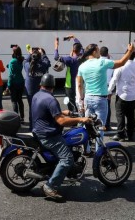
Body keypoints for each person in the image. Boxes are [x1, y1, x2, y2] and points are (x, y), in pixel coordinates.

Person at [32, 73, 92, 201]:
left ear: (41, 85)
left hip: (38, 130)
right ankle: (50, 186)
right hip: (48, 135)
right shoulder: (51, 99)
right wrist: (80, 118)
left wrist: (66, 112)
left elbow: (49, 112)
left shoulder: (38, 95)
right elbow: (61, 122)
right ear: (53, 86)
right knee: (67, 159)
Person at [77, 43, 133, 146]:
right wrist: (129, 51)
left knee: (88, 125)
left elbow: (79, 84)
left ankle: (87, 148)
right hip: (100, 99)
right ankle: (99, 151)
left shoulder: (82, 66)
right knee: (100, 127)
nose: (99, 52)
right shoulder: (102, 62)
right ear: (94, 52)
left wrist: (81, 98)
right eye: (98, 50)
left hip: (88, 98)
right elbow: (121, 63)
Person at [109, 48, 135, 141]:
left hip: (122, 94)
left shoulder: (121, 66)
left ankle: (120, 134)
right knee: (131, 115)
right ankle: (130, 134)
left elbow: (114, 80)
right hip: (133, 95)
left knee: (120, 114)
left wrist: (109, 91)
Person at [24, 47, 50, 127]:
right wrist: (43, 54)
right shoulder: (43, 65)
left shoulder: (27, 66)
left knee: (31, 107)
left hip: (30, 90)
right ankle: (40, 125)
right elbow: (47, 62)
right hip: (40, 91)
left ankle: (32, 125)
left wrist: (30, 53)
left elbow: (25, 60)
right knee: (41, 107)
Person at [54, 35, 83, 104]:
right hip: (79, 82)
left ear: (73, 50)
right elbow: (80, 46)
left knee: (71, 103)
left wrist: (56, 46)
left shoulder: (69, 59)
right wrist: (73, 37)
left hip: (69, 84)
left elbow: (56, 57)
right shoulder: (81, 56)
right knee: (79, 102)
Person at [7, 46, 25, 122]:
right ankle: (22, 117)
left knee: (14, 101)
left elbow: (11, 75)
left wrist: (8, 85)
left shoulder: (12, 61)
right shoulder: (21, 60)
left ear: (14, 52)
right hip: (21, 81)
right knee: (20, 100)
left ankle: (16, 117)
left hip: (14, 83)